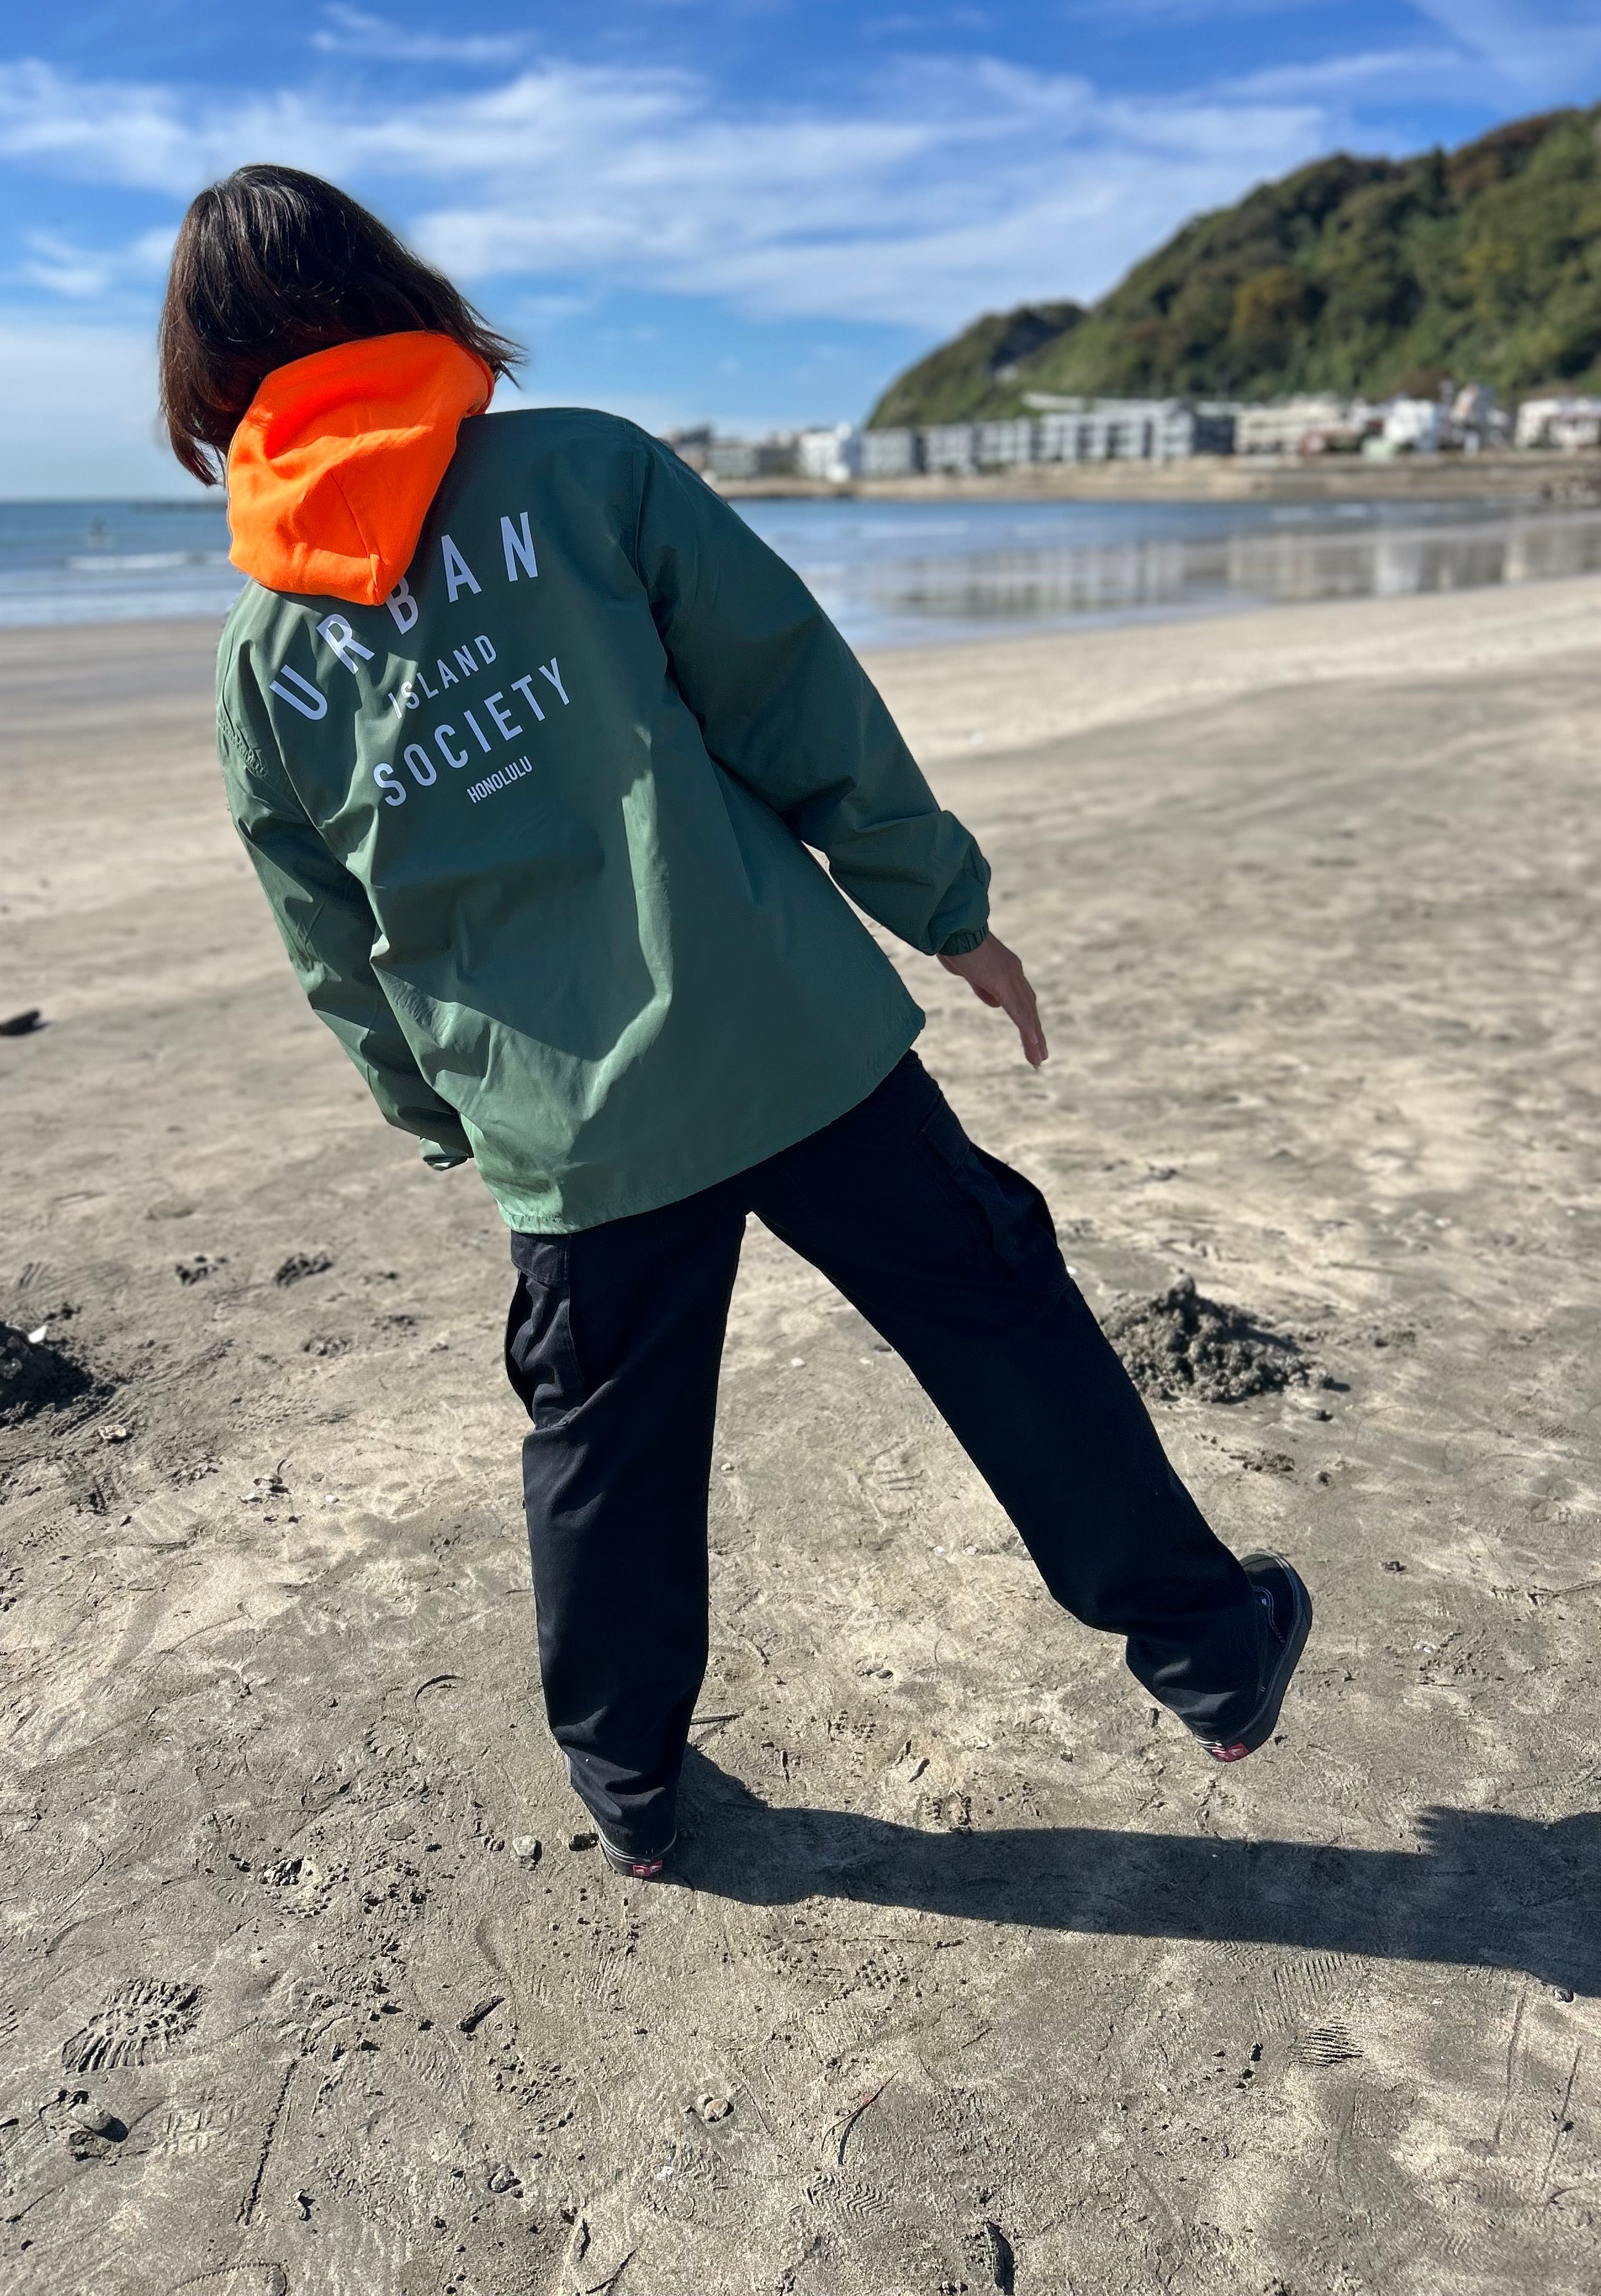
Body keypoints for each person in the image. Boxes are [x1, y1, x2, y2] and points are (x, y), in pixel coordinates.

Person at [161, 164, 1311, 1882]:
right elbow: (792, 696)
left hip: (569, 1122)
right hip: (787, 1036)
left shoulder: (266, 662)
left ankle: (630, 1788)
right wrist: (945, 908)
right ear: (398, 295)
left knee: (605, 1450)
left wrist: (436, 1109)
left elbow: (331, 936)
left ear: (210, 383)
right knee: (996, 1312)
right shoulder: (587, 471)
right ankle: (1209, 1651)